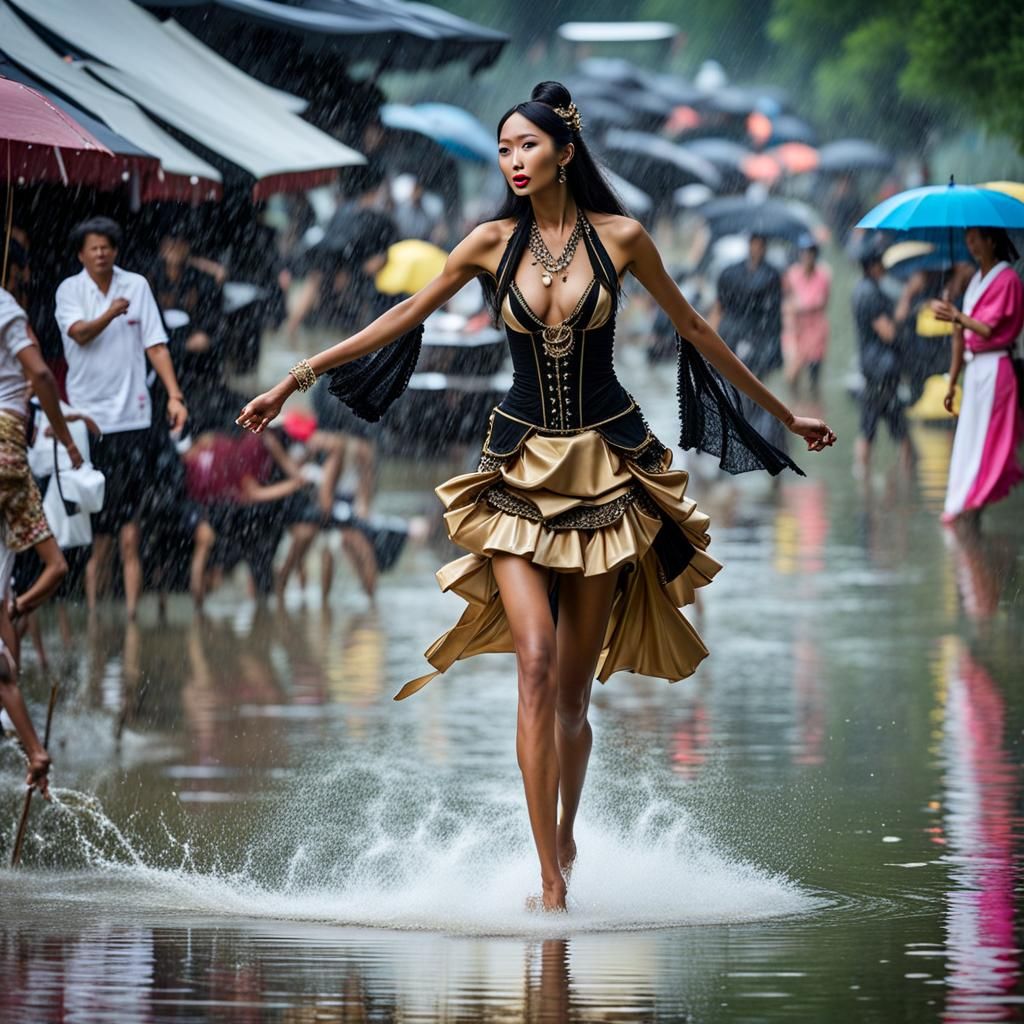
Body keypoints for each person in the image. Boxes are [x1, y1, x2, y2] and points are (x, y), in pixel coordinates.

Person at [237, 81, 836, 913]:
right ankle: (548, 879)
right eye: (505, 150)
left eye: (527, 146)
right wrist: (293, 380)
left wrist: (784, 414)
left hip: (607, 469)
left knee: (572, 696)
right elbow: (402, 316)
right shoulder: (487, 243)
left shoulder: (624, 239)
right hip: (516, 471)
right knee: (535, 664)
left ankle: (566, 834)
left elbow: (697, 331)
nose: (514, 161)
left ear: (564, 151)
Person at [55, 217, 189, 620]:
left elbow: (156, 345)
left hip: (133, 418)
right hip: (88, 420)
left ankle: (130, 620)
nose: (101, 253)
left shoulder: (137, 286)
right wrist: (111, 314)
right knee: (98, 534)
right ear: (81, 254)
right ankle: (96, 617)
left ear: (116, 250)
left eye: (106, 246)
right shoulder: (69, 291)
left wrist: (174, 395)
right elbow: (78, 333)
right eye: (93, 247)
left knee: (130, 528)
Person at [0, 284, 83, 797]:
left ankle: (29, 745)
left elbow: (42, 373)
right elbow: (56, 567)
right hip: (12, 460)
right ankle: (30, 746)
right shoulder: (7, 308)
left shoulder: (5, 307)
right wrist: (65, 438)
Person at [933, 227, 1024, 527]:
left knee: (988, 439)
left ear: (991, 240)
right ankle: (963, 504)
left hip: (996, 367)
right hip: (974, 371)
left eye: (975, 239)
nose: (970, 245)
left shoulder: (1007, 279)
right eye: (967, 239)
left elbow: (987, 329)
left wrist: (957, 316)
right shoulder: (974, 282)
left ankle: (973, 505)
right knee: (969, 438)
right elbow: (961, 338)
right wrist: (952, 381)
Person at [709, 234, 788, 454]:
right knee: (741, 391)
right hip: (738, 341)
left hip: (754, 343)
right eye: (755, 244)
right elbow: (719, 308)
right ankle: (744, 436)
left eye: (760, 244)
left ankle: (746, 437)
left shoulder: (770, 275)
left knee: (749, 391)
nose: (757, 248)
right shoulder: (732, 274)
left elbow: (774, 318)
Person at [852, 242, 915, 472]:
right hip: (882, 371)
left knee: (871, 426)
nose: (884, 268)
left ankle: (865, 479)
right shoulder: (871, 294)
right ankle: (902, 477)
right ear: (873, 266)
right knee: (890, 428)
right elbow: (887, 332)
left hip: (874, 369)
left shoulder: (861, 290)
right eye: (881, 264)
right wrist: (907, 299)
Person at [782, 237, 831, 396]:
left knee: (814, 375)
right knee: (792, 374)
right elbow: (786, 301)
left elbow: (822, 302)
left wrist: (802, 306)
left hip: (816, 329)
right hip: (796, 329)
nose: (807, 256)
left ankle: (814, 404)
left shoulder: (824, 274)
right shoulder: (792, 274)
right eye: (805, 252)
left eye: (810, 252)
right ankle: (794, 406)